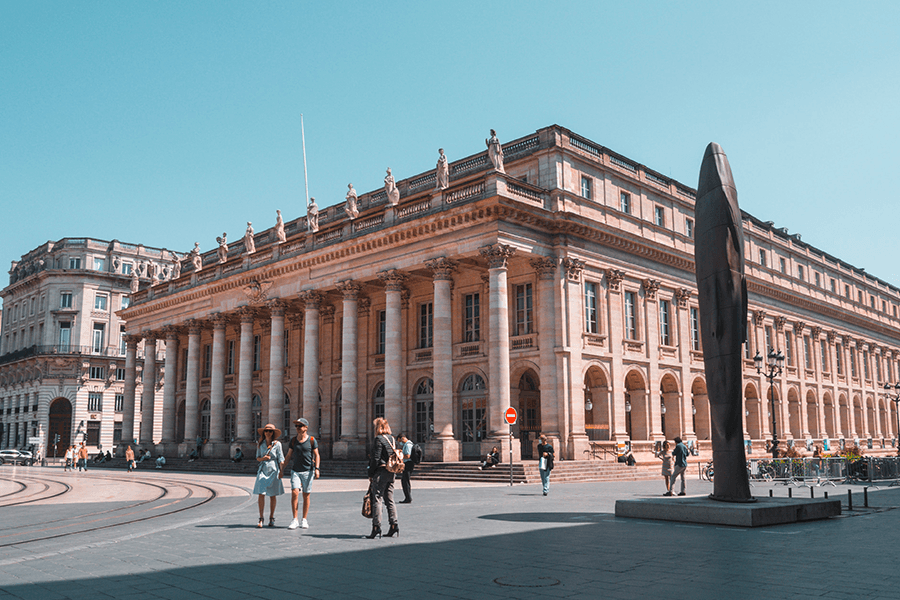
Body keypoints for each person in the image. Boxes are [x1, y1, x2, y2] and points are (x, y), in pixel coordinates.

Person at [280, 417, 320, 530]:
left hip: (308, 471)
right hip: (295, 471)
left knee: (306, 495)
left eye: (300, 426)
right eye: (296, 426)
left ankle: (304, 519)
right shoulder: (293, 441)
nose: (297, 428)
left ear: (306, 428)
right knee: (294, 492)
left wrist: (317, 468)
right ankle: (295, 519)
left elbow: (317, 455)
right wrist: (282, 469)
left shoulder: (312, 440)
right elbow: (288, 456)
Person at [366, 417, 399, 539]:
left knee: (377, 499)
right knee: (390, 499)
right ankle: (394, 524)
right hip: (391, 472)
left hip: (381, 471)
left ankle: (376, 527)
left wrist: (370, 473)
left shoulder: (378, 439)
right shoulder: (392, 439)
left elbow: (375, 459)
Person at [253, 423, 285, 528]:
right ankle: (261, 518)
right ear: (264, 432)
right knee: (261, 493)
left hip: (274, 469)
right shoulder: (260, 443)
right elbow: (257, 457)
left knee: (272, 494)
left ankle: (271, 518)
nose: (268, 433)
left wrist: (281, 471)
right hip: (262, 469)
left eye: (270, 431)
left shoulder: (277, 444)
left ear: (273, 433)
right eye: (266, 431)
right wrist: (263, 459)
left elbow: (281, 458)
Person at [398, 433, 414, 504]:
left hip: (408, 464)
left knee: (405, 481)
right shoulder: (406, 444)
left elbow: (407, 456)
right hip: (407, 464)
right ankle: (408, 497)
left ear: (402, 438)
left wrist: (400, 456)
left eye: (399, 441)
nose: (399, 443)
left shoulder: (408, 444)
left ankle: (408, 498)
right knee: (405, 480)